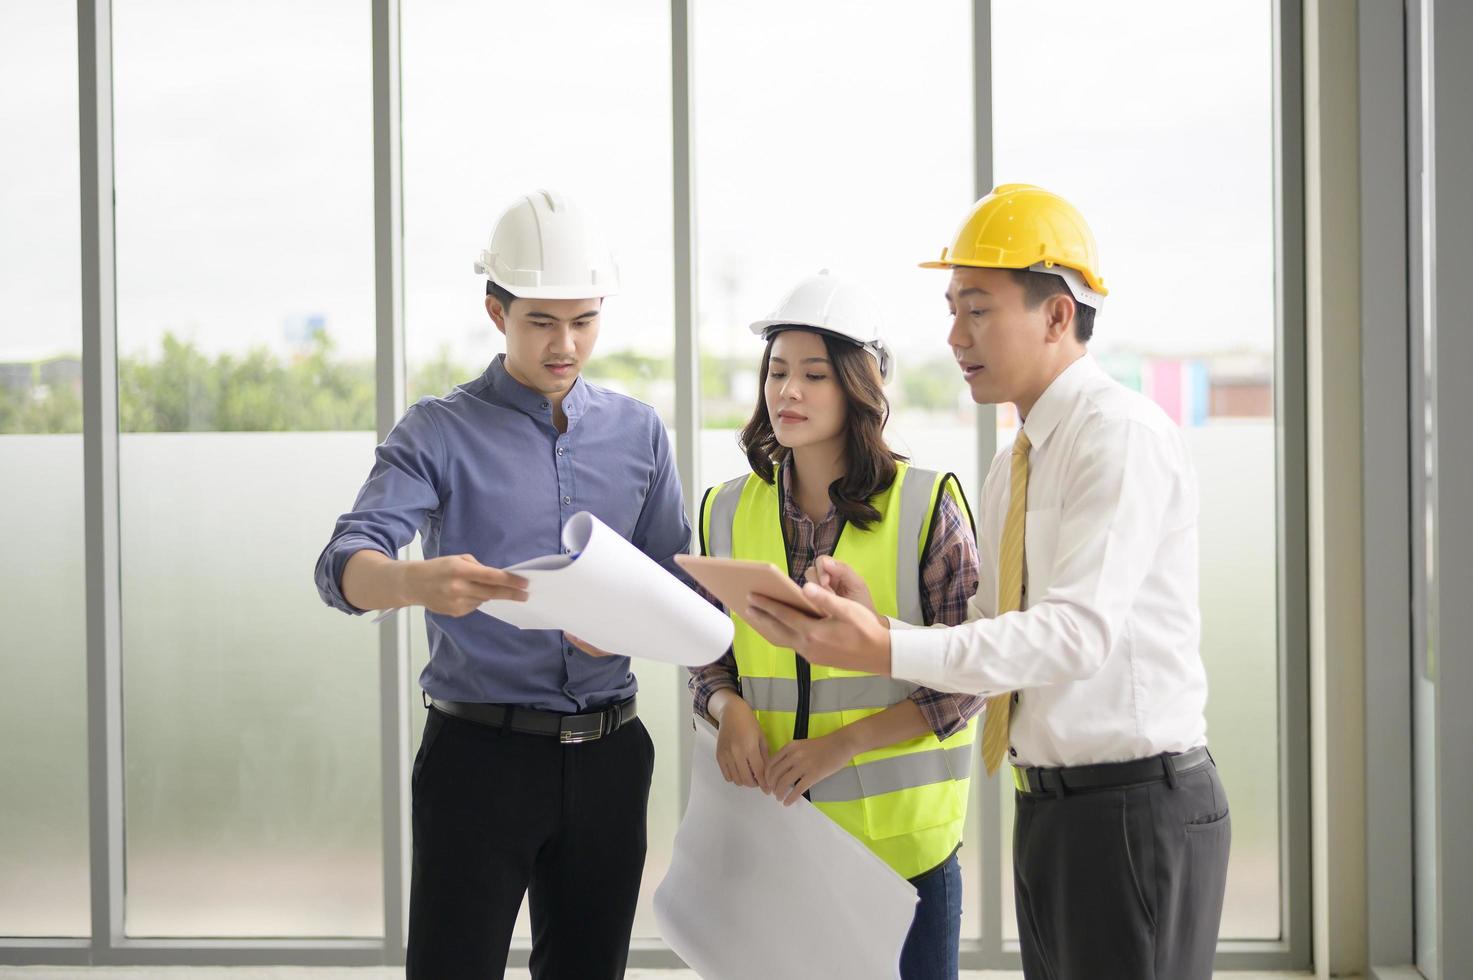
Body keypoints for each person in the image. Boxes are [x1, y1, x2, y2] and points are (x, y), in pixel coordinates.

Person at [743, 187, 1231, 980]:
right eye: (950, 308)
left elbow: (1076, 635)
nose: (953, 335)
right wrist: (883, 623)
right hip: (1052, 808)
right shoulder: (1017, 462)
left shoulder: (1119, 437)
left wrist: (888, 644)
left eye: (976, 309)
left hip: (1134, 810)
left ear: (1056, 315)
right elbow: (981, 629)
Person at [313, 189, 689, 979]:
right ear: (496, 312)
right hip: (479, 760)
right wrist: (413, 580)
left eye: (583, 321)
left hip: (611, 755)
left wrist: (633, 626)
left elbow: (676, 584)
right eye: (541, 322)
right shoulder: (437, 431)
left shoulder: (639, 433)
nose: (566, 345)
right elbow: (343, 566)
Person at [688, 271, 983, 979]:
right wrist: (726, 710)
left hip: (901, 852)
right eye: (778, 371)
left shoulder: (927, 505)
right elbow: (707, 653)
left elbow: (968, 678)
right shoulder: (723, 511)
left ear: (858, 386)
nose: (787, 392)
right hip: (773, 839)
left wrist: (839, 747)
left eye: (813, 375)